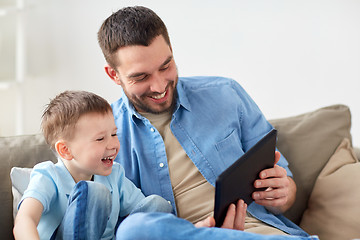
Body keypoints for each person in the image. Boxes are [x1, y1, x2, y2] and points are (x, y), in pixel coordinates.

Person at [97, 6, 318, 240]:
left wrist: (284, 193)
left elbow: (285, 185)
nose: (160, 86)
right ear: (113, 75)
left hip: (261, 233)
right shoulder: (101, 135)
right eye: (141, 77)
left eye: (166, 66)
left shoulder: (226, 94)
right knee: (133, 230)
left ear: (172, 51)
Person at [13, 90, 172, 240]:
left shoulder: (114, 174)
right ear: (66, 150)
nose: (113, 144)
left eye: (114, 134)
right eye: (100, 139)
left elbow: (141, 211)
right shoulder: (48, 175)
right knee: (94, 191)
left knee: (157, 205)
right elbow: (24, 220)